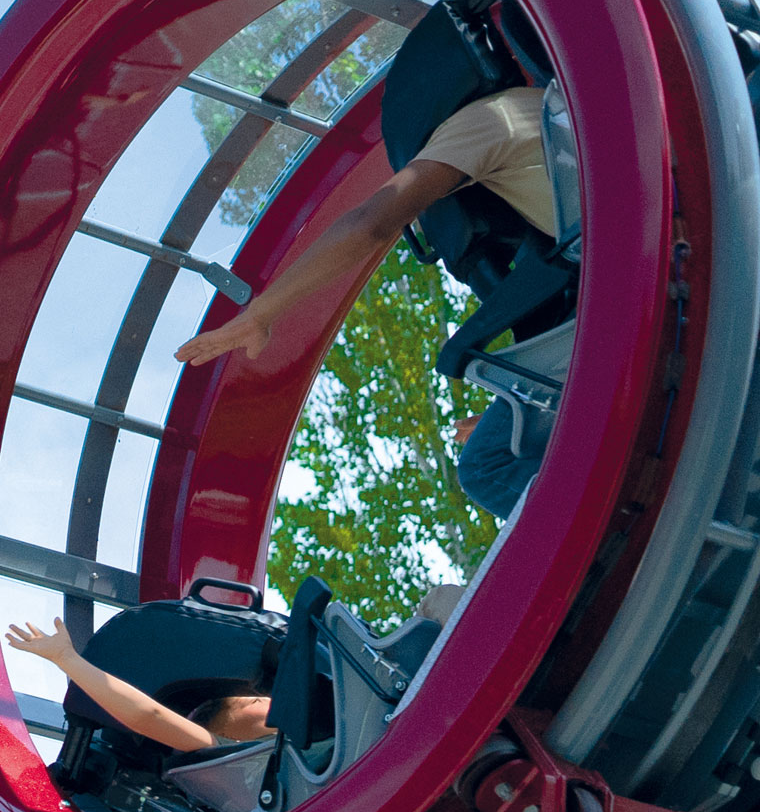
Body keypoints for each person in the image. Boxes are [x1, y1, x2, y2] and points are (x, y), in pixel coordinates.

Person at [175, 84, 566, 520]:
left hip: (614, 277)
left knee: (486, 467)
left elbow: (370, 223)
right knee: (508, 436)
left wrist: (261, 314)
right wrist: (518, 414)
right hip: (629, 245)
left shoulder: (475, 125)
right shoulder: (534, 102)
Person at [5, 618, 273, 753]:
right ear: (226, 730)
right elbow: (146, 715)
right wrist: (66, 659)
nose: (270, 700)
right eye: (255, 701)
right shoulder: (220, 750)